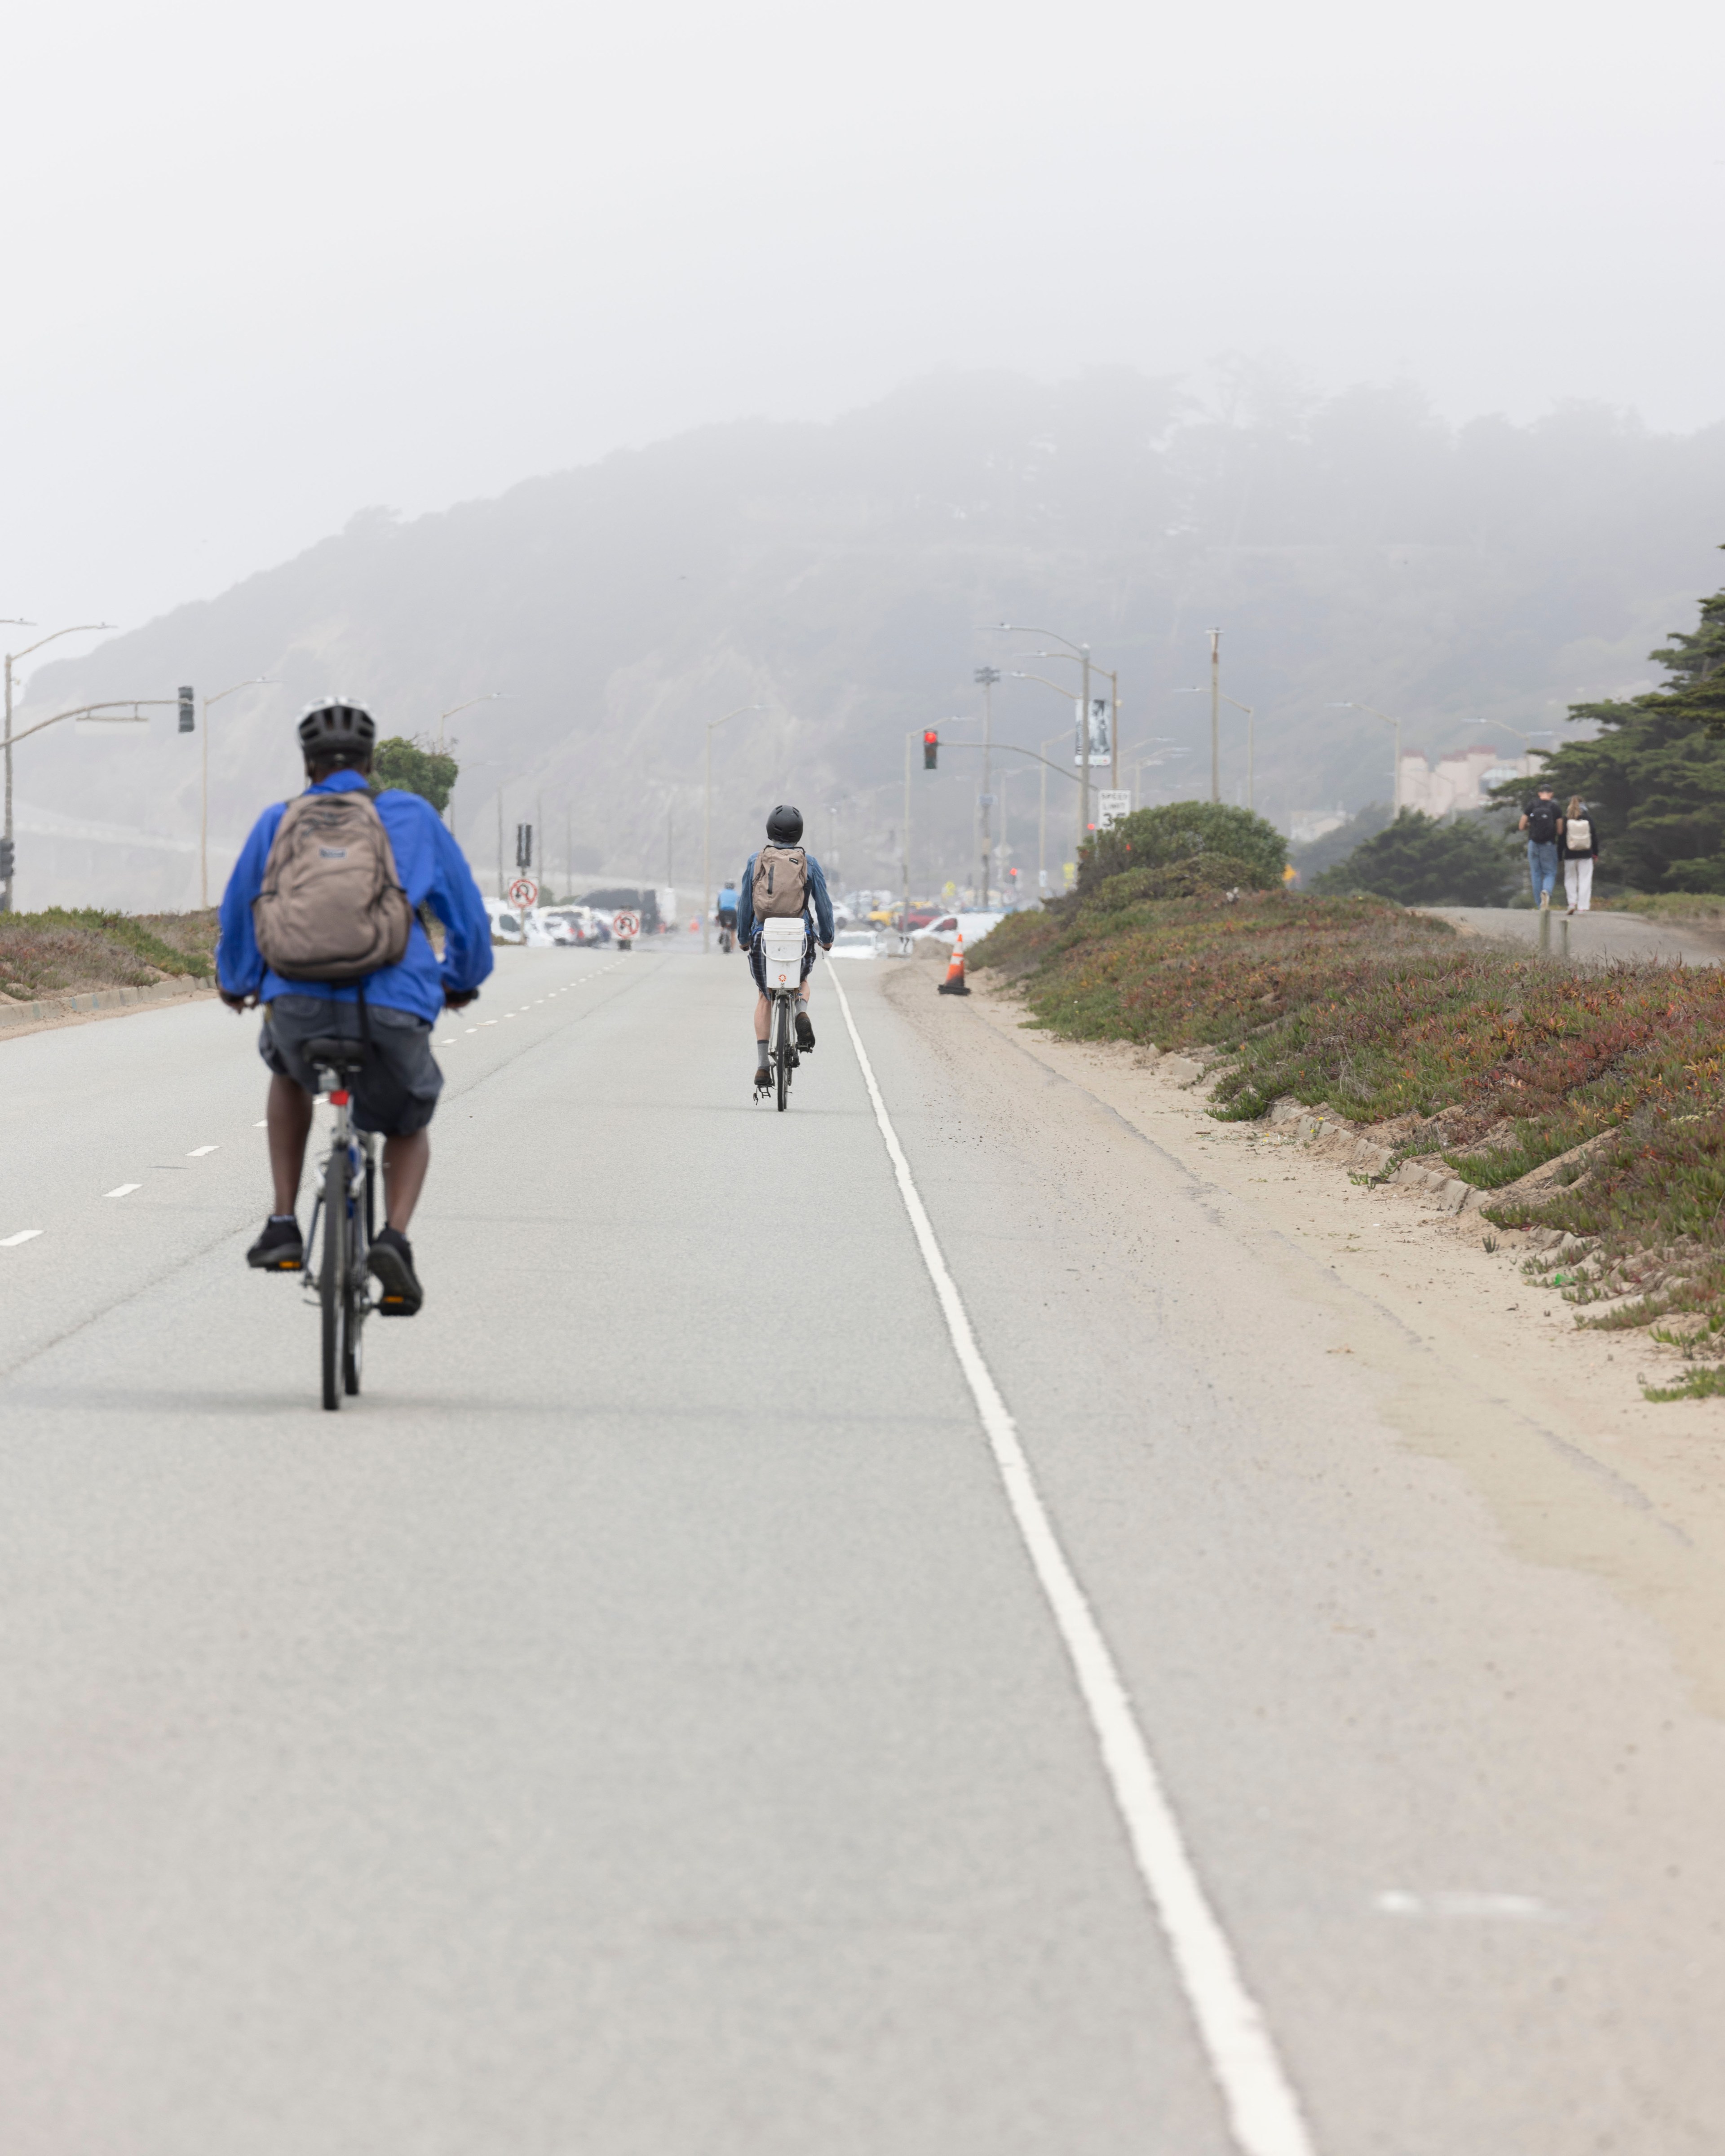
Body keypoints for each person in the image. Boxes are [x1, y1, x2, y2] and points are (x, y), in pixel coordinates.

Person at [217, 696, 494, 1312]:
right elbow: (466, 916)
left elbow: (240, 911)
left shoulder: (279, 820)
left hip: (298, 1003)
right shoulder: (412, 817)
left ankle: (284, 1223)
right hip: (393, 1004)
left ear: (307, 763)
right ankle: (393, 1238)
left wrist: (237, 981)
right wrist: (460, 978)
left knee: (286, 1070)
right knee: (407, 1121)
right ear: (371, 761)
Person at [734, 804, 834, 1088]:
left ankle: (763, 1066)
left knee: (765, 996)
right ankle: (801, 1010)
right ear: (799, 833)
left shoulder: (756, 861)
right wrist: (827, 937)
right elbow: (823, 906)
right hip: (798, 936)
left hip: (761, 937)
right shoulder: (809, 863)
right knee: (801, 980)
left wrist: (743, 938)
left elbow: (745, 904)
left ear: (769, 830)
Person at [1518, 784, 1563, 909]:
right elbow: (1560, 831)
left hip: (1533, 843)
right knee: (1550, 873)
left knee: (1536, 873)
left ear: (1539, 794)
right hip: (1548, 844)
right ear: (1551, 794)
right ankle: (1547, 892)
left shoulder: (1532, 806)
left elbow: (1521, 827)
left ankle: (1540, 905)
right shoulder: (1556, 808)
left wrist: (1531, 826)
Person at [1561, 795, 1600, 914]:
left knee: (1570, 879)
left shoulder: (1566, 819)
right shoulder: (1588, 818)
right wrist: (1595, 854)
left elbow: (1562, 838)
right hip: (1586, 854)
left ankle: (1572, 903)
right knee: (1585, 880)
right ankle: (1582, 907)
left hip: (1570, 854)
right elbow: (1594, 837)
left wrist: (1560, 854)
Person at [715, 880, 739, 953]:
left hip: (723, 912)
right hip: (733, 912)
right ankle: (732, 949)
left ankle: (723, 933)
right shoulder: (736, 894)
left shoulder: (721, 893)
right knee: (733, 932)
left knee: (723, 926)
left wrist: (718, 912)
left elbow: (718, 904)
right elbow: (739, 904)